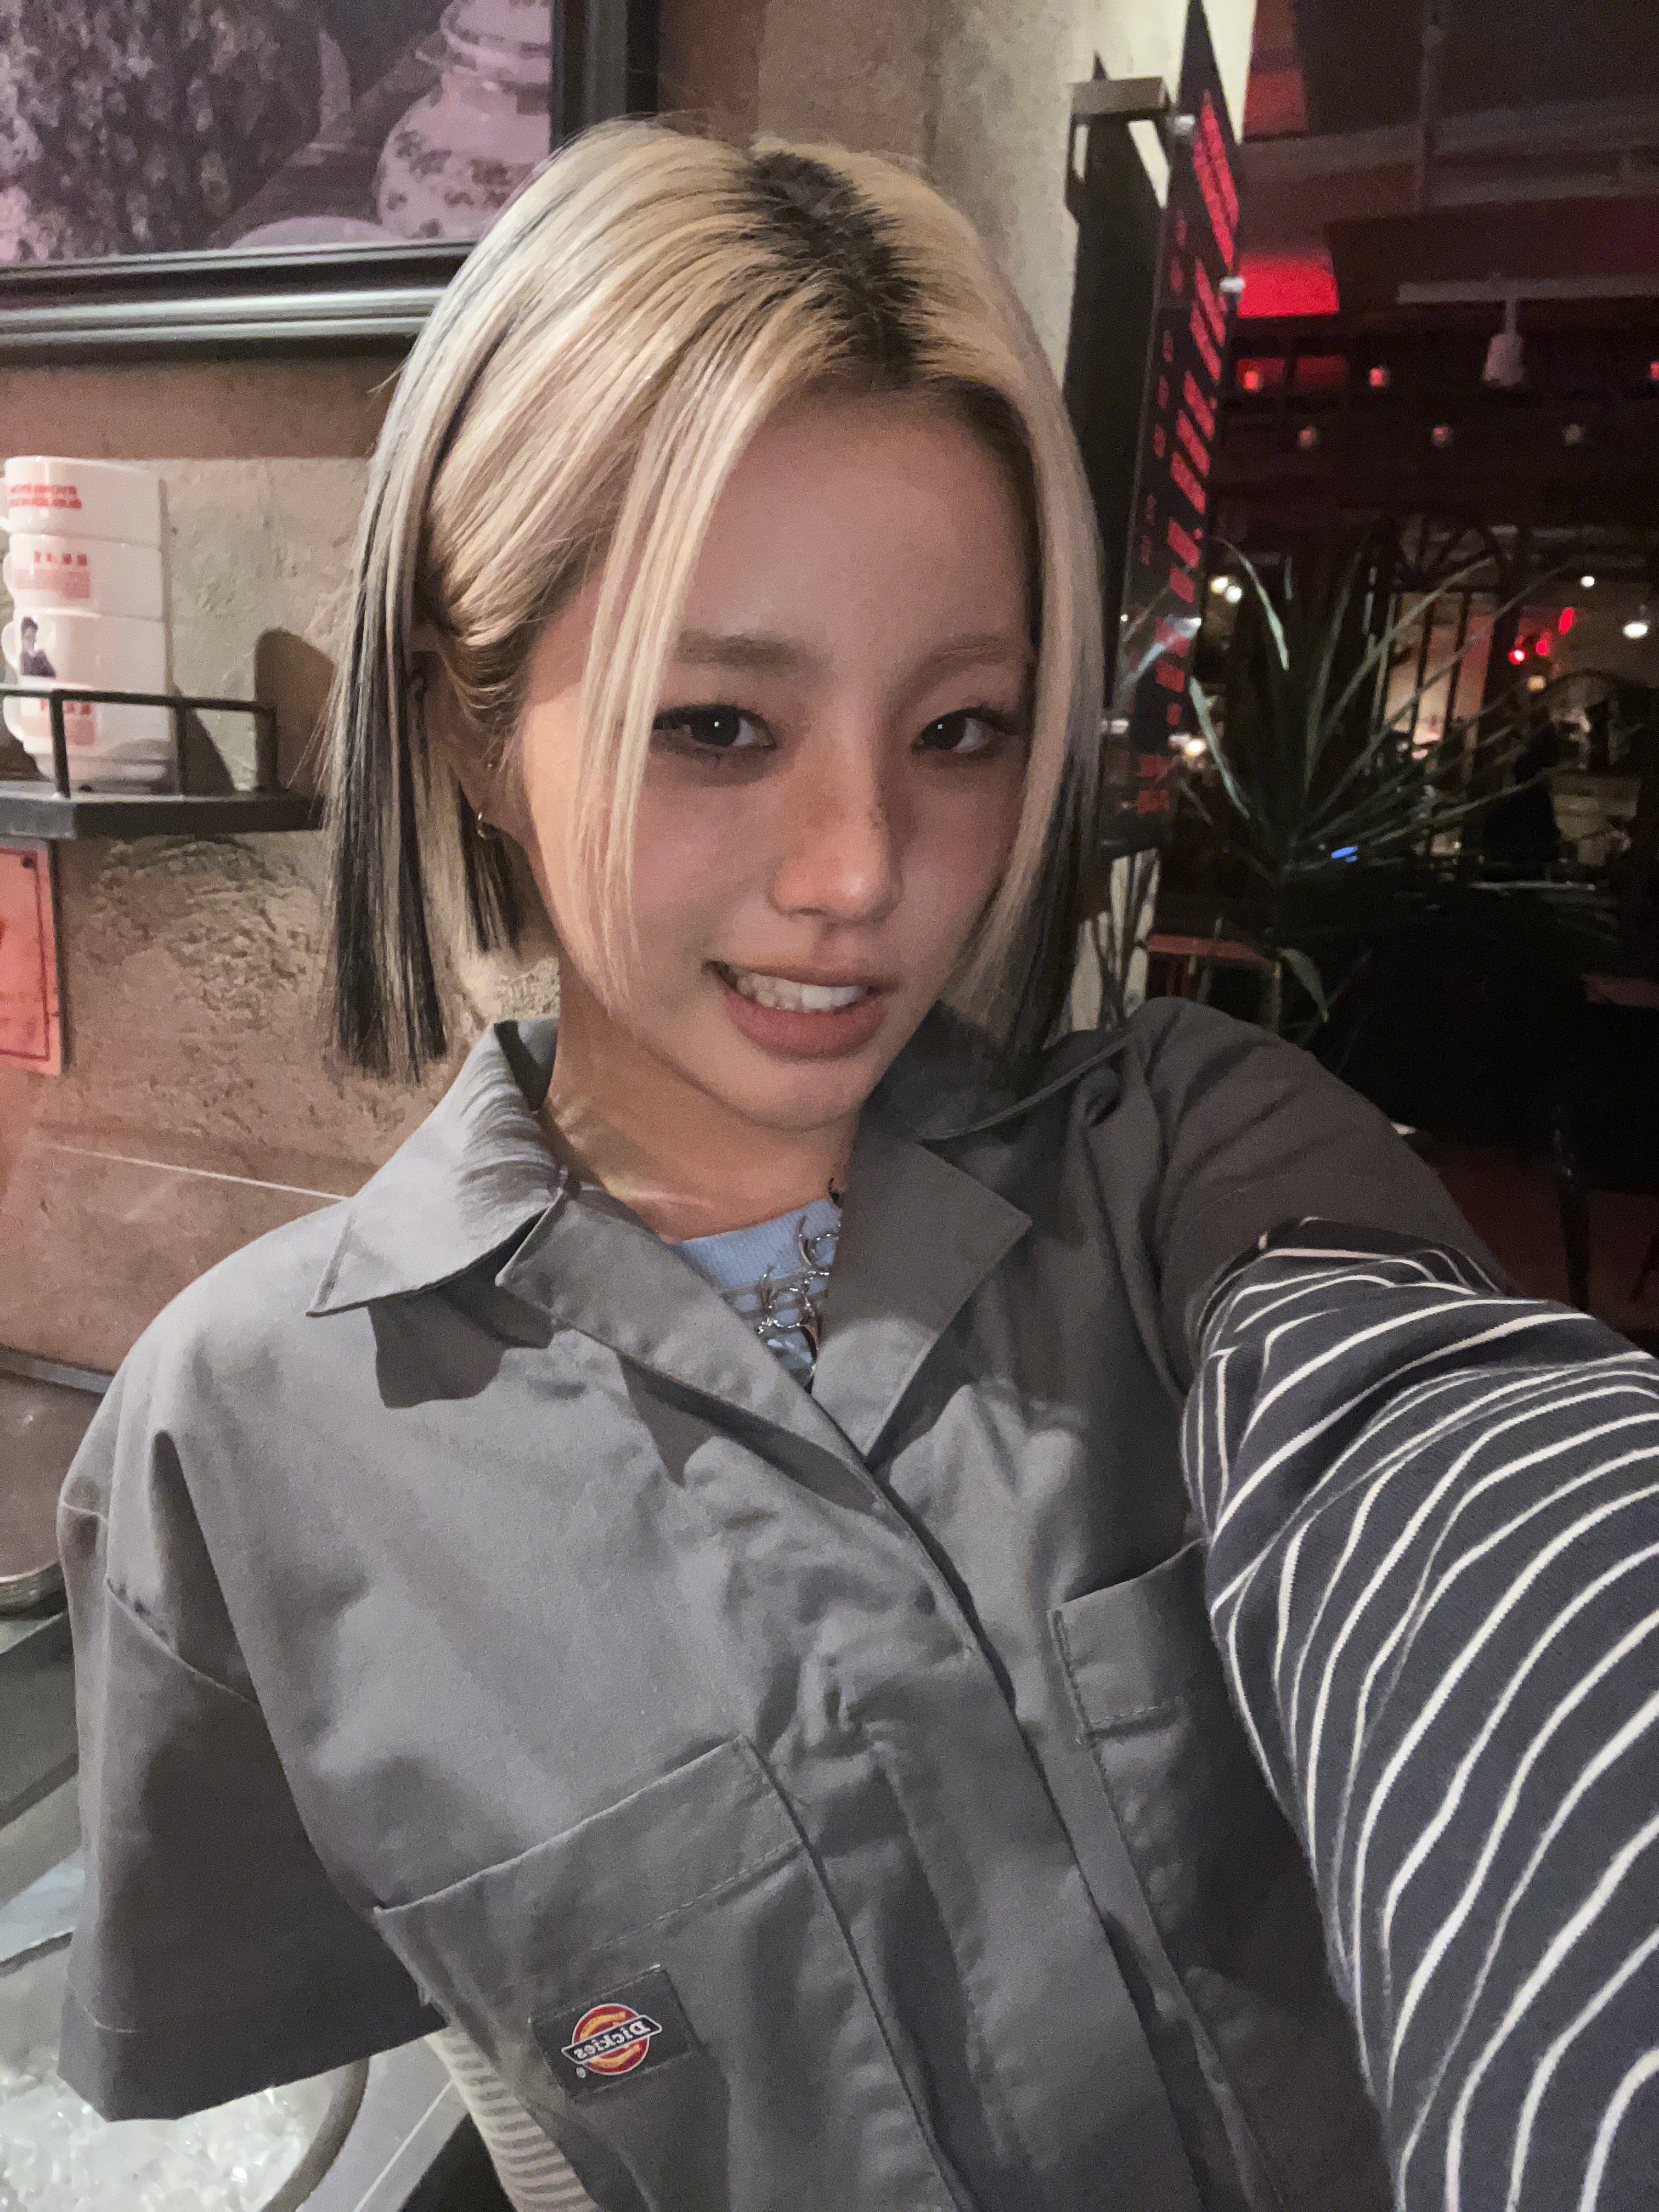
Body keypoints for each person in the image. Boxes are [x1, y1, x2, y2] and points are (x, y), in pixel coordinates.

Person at [57, 123, 1659, 2212]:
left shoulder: (1190, 1158)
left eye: (961, 730)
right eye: (719, 725)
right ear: (467, 723)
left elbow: (1461, 1479)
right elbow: (456, 2074)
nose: (862, 872)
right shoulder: (246, 1441)